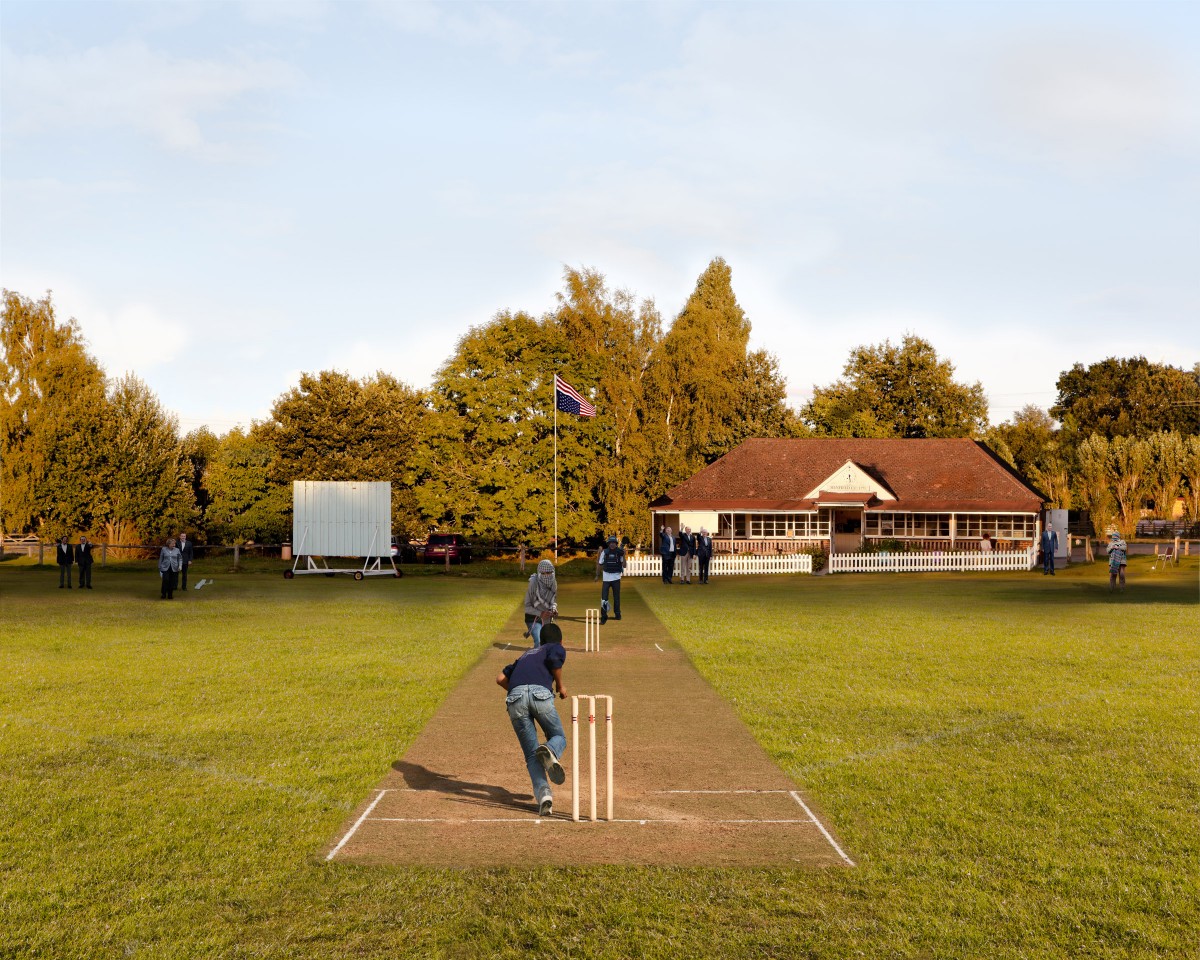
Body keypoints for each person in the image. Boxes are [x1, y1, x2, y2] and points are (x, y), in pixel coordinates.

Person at [496, 621, 568, 817]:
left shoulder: (526, 654)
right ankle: (550, 750)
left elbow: (500, 678)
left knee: (531, 756)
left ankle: (544, 796)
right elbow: (555, 660)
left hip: (515, 699)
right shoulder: (555, 648)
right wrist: (560, 686)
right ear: (560, 641)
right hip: (540, 695)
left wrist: (517, 692)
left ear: (540, 640)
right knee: (559, 737)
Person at [523, 559, 558, 646]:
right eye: (543, 573)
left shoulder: (554, 582)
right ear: (539, 573)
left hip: (546, 619)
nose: (546, 575)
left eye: (549, 572)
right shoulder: (533, 583)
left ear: (553, 572)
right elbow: (527, 607)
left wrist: (553, 608)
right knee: (539, 642)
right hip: (533, 618)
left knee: (547, 643)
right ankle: (536, 658)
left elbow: (553, 601)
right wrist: (540, 613)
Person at [595, 534, 625, 624]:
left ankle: (617, 614)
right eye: (610, 543)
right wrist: (597, 575)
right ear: (608, 543)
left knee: (617, 597)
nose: (612, 544)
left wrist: (624, 555)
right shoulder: (605, 552)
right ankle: (604, 616)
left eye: (614, 543)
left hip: (616, 578)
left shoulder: (619, 552)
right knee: (604, 598)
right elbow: (599, 564)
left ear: (616, 544)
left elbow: (624, 565)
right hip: (606, 578)